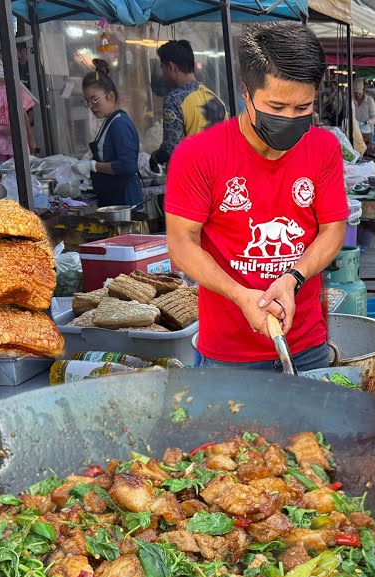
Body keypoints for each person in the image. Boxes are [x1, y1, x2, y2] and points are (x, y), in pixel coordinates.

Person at [165, 23, 347, 372]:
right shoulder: (199, 154)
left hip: (307, 344)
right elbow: (181, 243)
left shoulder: (323, 148)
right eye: (276, 107)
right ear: (246, 93)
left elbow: (333, 229)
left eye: (302, 108)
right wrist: (240, 295)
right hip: (229, 356)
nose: (289, 119)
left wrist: (293, 278)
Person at [151, 40, 227, 168]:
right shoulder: (214, 98)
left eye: (163, 68)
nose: (163, 74)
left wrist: (155, 157)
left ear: (171, 67)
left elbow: (170, 149)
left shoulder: (174, 100)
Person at [77, 61, 143, 208]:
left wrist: (93, 166)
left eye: (95, 99)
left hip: (125, 201)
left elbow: (127, 166)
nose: (91, 106)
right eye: (87, 101)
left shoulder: (119, 125)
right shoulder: (109, 121)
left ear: (111, 96)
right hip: (114, 198)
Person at [0, 49, 36, 163]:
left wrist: (30, 140)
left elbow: (23, 114)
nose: (4, 65)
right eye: (0, 61)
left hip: (17, 145)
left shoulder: (16, 86)